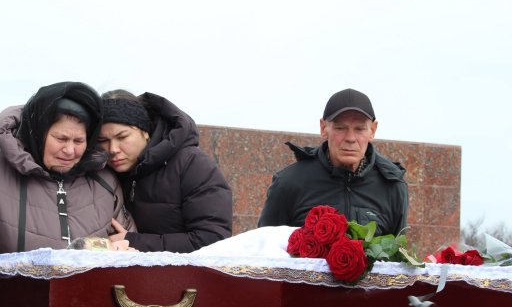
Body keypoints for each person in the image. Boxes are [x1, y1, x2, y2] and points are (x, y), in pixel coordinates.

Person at [0, 82, 136, 307]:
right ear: (38, 132)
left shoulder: (105, 182)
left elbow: (131, 264)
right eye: (61, 139)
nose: (70, 150)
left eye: (79, 140)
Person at [258, 88, 408, 236]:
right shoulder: (289, 182)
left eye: (359, 129)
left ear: (372, 130)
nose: (350, 138)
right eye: (340, 128)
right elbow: (264, 246)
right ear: (324, 128)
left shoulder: (392, 187)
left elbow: (397, 249)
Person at [97, 90, 232, 252]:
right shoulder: (100, 172)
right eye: (102, 140)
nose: (113, 149)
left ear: (145, 131)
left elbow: (213, 239)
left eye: (122, 137)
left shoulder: (192, 165)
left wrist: (134, 241)